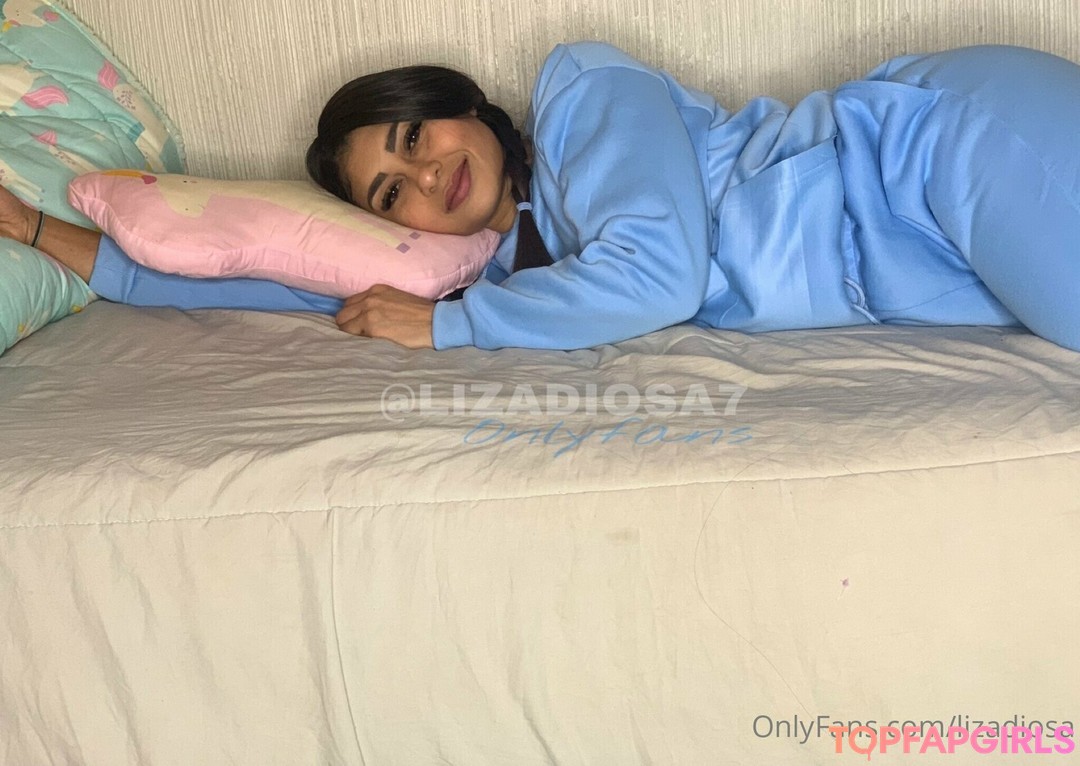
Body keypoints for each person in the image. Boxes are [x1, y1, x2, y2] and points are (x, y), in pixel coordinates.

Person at [2, 42, 1078, 351]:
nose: (428, 176)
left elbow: (663, 273)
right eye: (394, 191)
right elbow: (260, 271)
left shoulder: (582, 97)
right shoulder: (481, 267)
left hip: (937, 150)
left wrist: (456, 331)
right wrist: (42, 230)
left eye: (417, 136)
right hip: (939, 258)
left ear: (467, 106)